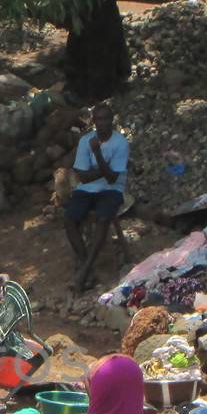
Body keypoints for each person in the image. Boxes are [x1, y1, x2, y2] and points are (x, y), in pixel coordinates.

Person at [63, 103, 129, 291]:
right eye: (99, 119)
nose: (103, 123)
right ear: (94, 122)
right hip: (86, 189)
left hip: (112, 190)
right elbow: (82, 176)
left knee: (102, 218)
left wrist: (98, 155)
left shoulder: (121, 143)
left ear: (112, 121)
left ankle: (84, 272)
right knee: (69, 219)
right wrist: (104, 169)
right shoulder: (86, 141)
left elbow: (112, 178)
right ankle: (87, 267)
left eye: (107, 119)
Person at [82, 353, 147, 414]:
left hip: (104, 373)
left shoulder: (95, 366)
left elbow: (93, 400)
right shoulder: (126, 360)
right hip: (133, 369)